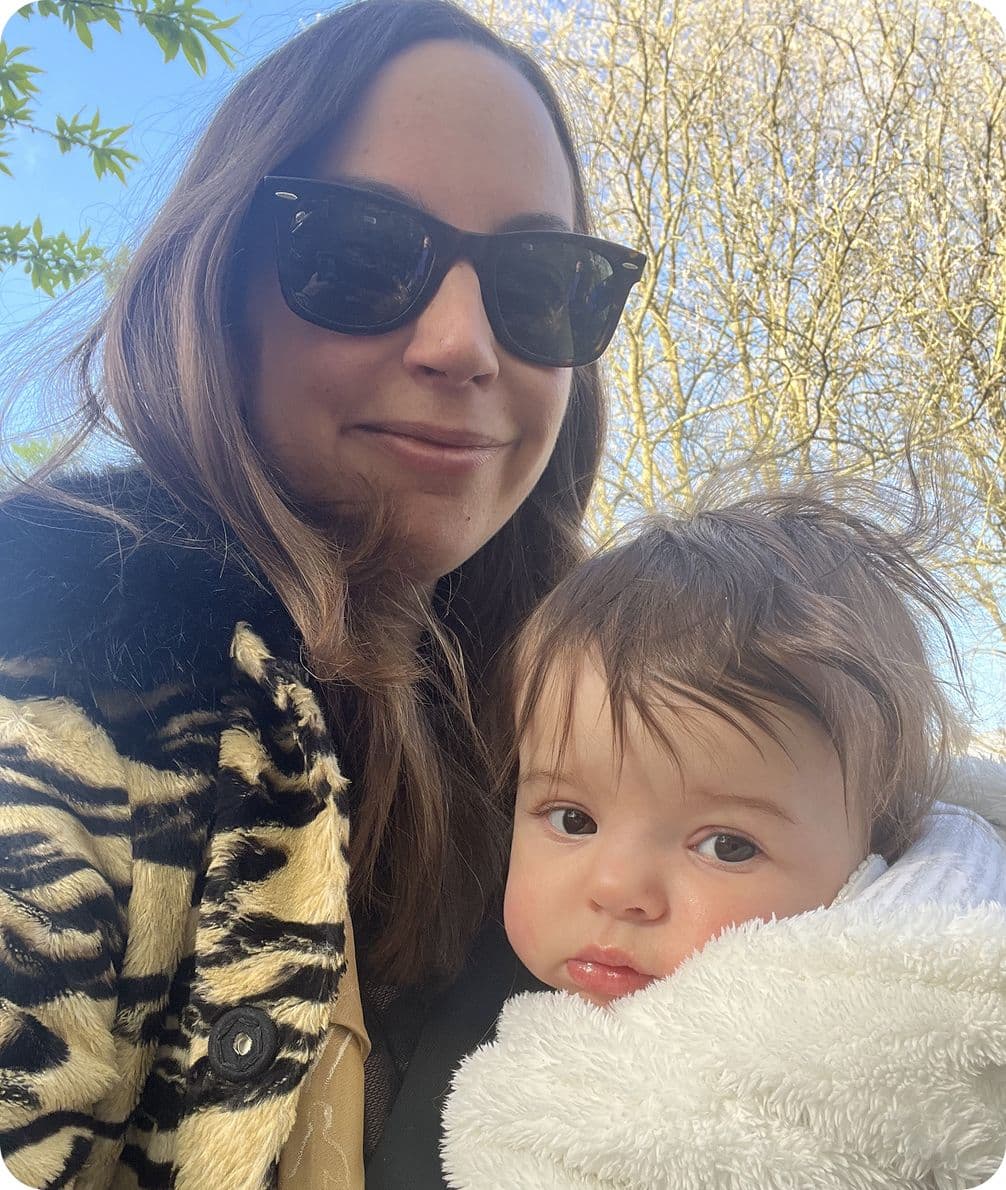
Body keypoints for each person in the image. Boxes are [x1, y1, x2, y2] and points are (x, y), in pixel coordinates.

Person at [0, 3, 646, 1187]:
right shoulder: (50, 679)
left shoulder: (595, 728)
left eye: (541, 281)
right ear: (215, 283)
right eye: (359, 251)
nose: (464, 342)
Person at [441, 491, 1006, 1189]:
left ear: (872, 853)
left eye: (727, 846)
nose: (616, 889)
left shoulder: (902, 1037)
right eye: (572, 820)